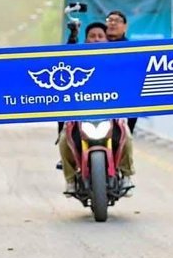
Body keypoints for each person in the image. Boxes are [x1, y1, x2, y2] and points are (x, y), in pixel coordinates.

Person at [57, 22, 135, 194]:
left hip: (110, 114)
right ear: (86, 40)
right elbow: (65, 56)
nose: (96, 39)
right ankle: (70, 180)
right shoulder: (77, 60)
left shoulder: (116, 60)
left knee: (126, 136)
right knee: (64, 139)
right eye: (92, 36)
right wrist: (73, 36)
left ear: (107, 40)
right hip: (80, 115)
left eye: (100, 36)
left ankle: (127, 175)